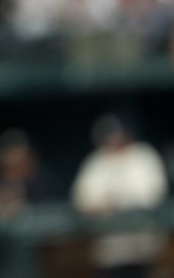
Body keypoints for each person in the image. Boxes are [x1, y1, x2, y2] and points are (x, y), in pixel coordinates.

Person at [72, 114, 168, 278]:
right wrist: (99, 205)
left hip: (142, 246)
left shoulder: (143, 155)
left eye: (116, 134)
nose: (113, 140)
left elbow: (153, 194)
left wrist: (117, 201)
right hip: (108, 249)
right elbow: (81, 198)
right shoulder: (97, 160)